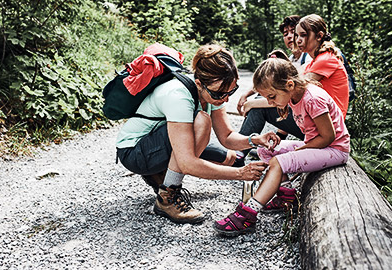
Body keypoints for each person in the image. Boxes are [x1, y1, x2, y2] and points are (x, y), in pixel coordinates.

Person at [116, 44, 280, 224]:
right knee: (202, 121)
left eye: (231, 91)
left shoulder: (214, 91)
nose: (225, 99)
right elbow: (188, 164)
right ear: (199, 83)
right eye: (220, 94)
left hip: (159, 141)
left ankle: (160, 172)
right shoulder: (178, 95)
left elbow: (226, 137)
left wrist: (255, 140)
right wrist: (241, 174)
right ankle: (167, 197)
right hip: (134, 151)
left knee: (230, 158)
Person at [214, 57, 350, 236]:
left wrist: (299, 151)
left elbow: (328, 136)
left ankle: (248, 213)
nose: (270, 103)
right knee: (265, 149)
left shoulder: (313, 99)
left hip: (334, 149)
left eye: (272, 97)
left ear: (290, 85)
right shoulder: (293, 96)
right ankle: (287, 195)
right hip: (318, 145)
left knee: (279, 161)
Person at [235, 15, 311, 163]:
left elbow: (295, 93)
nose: (289, 36)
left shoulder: (308, 58)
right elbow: (268, 82)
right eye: (285, 34)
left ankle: (238, 152)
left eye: (293, 32)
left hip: (318, 125)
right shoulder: (292, 59)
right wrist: (246, 94)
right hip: (303, 117)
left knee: (258, 107)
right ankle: (251, 147)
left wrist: (251, 104)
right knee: (260, 100)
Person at [296, 14, 350, 117]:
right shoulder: (315, 61)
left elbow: (295, 88)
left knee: (263, 109)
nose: (298, 40)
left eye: (303, 35)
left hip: (331, 123)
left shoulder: (325, 59)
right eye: (297, 35)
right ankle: (278, 134)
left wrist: (255, 103)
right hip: (320, 116)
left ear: (319, 36)